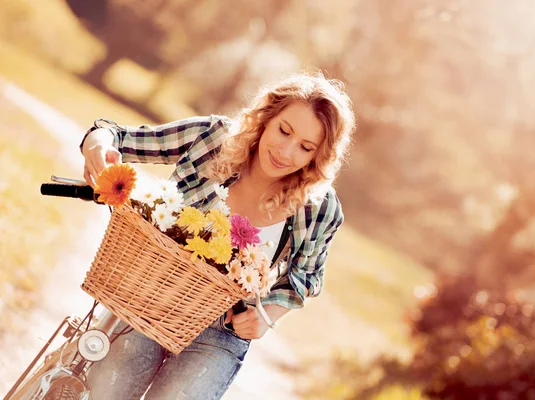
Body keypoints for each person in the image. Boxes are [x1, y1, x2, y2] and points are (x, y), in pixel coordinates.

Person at [79, 71, 356, 399]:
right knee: (104, 393)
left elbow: (305, 277)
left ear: (316, 157)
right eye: (284, 131)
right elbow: (117, 136)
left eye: (305, 147)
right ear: (267, 118)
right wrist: (98, 146)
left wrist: (267, 317)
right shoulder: (213, 138)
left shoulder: (319, 208)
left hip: (222, 331)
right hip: (154, 298)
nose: (286, 152)